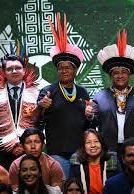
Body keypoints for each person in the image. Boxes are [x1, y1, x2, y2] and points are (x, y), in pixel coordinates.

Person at [37, 13, 91, 179]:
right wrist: (41, 107)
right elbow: (37, 121)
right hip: (57, 152)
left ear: (75, 71)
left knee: (80, 187)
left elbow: (90, 122)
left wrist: (90, 115)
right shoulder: (47, 92)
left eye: (69, 68)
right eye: (61, 68)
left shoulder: (82, 92)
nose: (64, 70)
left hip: (80, 151)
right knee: (62, 188)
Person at [86, 30, 134, 157]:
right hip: (109, 149)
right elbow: (93, 123)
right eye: (116, 72)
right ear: (111, 76)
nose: (120, 75)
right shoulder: (99, 96)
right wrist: (90, 115)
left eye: (123, 72)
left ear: (129, 74)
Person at [0, 40, 39, 170]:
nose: (14, 71)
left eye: (18, 68)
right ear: (3, 72)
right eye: (9, 69)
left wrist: (26, 143)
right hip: (1, 149)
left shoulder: (37, 93)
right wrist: (6, 142)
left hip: (30, 149)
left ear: (24, 70)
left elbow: (40, 121)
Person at [70, 129, 112, 193]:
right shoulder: (76, 164)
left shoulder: (112, 162)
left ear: (102, 144)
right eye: (88, 142)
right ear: (83, 146)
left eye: (96, 141)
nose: (93, 145)